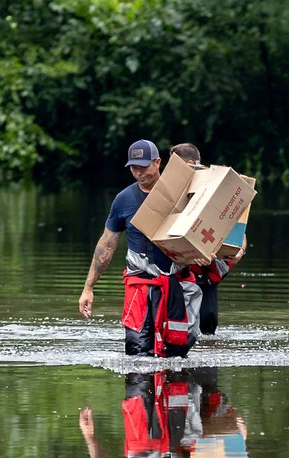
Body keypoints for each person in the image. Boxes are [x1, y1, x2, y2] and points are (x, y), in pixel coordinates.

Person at [79, 139, 202, 356]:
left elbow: (207, 230)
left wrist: (204, 252)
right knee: (137, 353)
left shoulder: (184, 194)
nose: (138, 172)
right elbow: (107, 243)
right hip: (140, 285)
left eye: (143, 166)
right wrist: (89, 287)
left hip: (177, 284)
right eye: (133, 168)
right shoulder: (124, 200)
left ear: (158, 162)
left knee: (177, 351)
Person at [167, 141, 244, 336]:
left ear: (192, 163)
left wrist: (239, 250)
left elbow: (239, 227)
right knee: (176, 328)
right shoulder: (169, 191)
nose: (171, 171)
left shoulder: (215, 188)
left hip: (207, 270)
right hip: (179, 269)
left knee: (207, 326)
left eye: (175, 165)